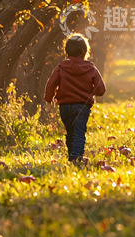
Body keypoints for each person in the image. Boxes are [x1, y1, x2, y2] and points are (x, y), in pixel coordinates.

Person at [44, 33, 106, 164]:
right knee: (79, 132)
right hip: (82, 107)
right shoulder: (91, 69)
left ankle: (72, 156)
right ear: (84, 51)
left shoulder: (61, 68)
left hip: (64, 107)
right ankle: (76, 157)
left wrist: (49, 98)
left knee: (71, 132)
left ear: (66, 51)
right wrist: (91, 92)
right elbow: (101, 89)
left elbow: (51, 84)